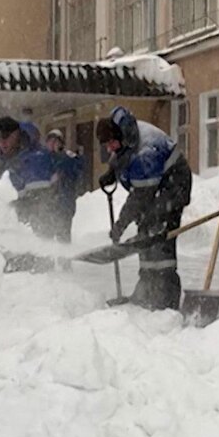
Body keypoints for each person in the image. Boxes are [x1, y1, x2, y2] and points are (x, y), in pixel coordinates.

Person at [96, 105, 192, 310]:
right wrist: (112, 171)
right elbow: (121, 153)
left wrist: (120, 224)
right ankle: (147, 288)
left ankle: (166, 298)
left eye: (110, 143)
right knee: (145, 234)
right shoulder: (123, 131)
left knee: (158, 234)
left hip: (173, 186)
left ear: (120, 137)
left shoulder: (145, 152)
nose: (109, 149)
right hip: (154, 183)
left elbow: (140, 197)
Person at [0, 116, 59, 239]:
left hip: (41, 226)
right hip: (24, 226)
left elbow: (40, 201)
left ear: (16, 134)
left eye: (5, 137)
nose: (2, 143)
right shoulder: (10, 160)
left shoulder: (36, 159)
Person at [45, 128, 84, 242]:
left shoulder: (68, 158)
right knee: (47, 239)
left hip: (64, 204)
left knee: (63, 237)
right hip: (49, 205)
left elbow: (77, 169)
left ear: (61, 143)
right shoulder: (45, 159)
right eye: (50, 141)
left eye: (55, 141)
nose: (52, 144)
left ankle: (64, 259)